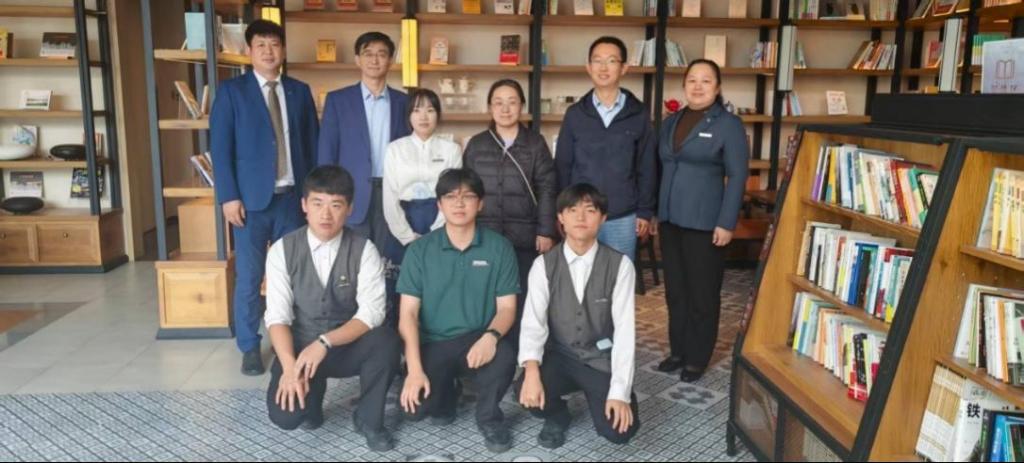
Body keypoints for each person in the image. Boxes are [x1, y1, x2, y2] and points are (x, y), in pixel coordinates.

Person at [263, 166, 400, 452]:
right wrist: (289, 368)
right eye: (318, 203)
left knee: (386, 340)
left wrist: (325, 342)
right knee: (287, 417)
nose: (326, 214)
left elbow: (372, 313)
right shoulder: (282, 250)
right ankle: (311, 399)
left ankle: (369, 419)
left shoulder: (365, 250)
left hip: (344, 345)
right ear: (304, 205)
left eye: (336, 205)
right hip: (300, 350)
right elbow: (277, 316)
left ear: (349, 209)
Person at [210, 20, 319, 376]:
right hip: (250, 203)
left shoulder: (299, 91)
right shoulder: (232, 92)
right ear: (249, 51)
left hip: (292, 199)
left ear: (283, 50)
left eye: (274, 44)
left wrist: (312, 195)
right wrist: (228, 197)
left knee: (295, 274)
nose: (269, 51)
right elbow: (220, 149)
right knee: (250, 276)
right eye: (261, 45)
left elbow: (312, 144)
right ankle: (249, 346)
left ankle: (295, 337)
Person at [396, 168, 519, 453]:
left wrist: (490, 337)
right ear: (439, 205)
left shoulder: (499, 247)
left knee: (504, 354)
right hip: (434, 342)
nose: (459, 203)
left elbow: (507, 308)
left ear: (481, 203)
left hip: (477, 339)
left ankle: (489, 417)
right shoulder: (419, 250)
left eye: (468, 196)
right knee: (416, 410)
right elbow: (407, 316)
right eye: (451, 197)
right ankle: (446, 394)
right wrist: (414, 370)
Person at [516, 183, 639, 448]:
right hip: (559, 356)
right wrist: (531, 370)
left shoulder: (620, 265)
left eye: (590, 210)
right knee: (525, 393)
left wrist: (620, 393)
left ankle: (609, 392)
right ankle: (558, 414)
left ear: (603, 218)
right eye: (572, 210)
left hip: (599, 358)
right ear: (560, 217)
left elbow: (625, 332)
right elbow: (533, 323)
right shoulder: (543, 265)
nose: (581, 217)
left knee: (619, 432)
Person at [655, 58, 749, 383]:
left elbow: (737, 176)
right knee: (675, 292)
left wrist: (727, 222)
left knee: (702, 294)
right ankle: (678, 351)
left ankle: (696, 357)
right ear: (684, 85)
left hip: (706, 223)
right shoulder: (671, 121)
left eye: (706, 80)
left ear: (717, 87)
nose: (698, 86)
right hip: (670, 220)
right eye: (692, 80)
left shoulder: (728, 125)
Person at [318, 31, 410, 326]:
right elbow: (327, 151)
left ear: (391, 60)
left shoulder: (404, 102)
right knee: (350, 261)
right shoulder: (338, 100)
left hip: (392, 193)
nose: (375, 60)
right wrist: (329, 198)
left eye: (382, 54)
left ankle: (388, 327)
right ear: (357, 59)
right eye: (368, 53)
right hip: (352, 193)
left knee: (390, 262)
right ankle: (350, 327)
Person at [463, 79, 557, 348]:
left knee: (525, 294)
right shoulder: (477, 144)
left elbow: (548, 188)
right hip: (485, 235)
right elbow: (466, 191)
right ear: (490, 107)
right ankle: (489, 347)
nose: (505, 109)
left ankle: (525, 351)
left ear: (522, 106)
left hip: (525, 235)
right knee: (485, 294)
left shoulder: (535, 143)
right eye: (498, 103)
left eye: (512, 102)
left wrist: (546, 230)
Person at [555, 36, 656, 262]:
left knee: (619, 275)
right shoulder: (575, 114)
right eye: (597, 61)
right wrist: (562, 210)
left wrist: (645, 211)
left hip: (623, 214)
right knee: (580, 274)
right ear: (588, 67)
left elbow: (647, 166)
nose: (603, 68)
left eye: (611, 61)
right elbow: (563, 165)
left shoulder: (638, 113)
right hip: (580, 213)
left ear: (624, 68)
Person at [382, 88, 462, 263]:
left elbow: (454, 195)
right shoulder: (395, 149)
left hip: (441, 219)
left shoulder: (452, 150)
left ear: (438, 115)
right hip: (403, 221)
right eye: (417, 110)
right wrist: (406, 236)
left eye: (430, 110)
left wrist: (436, 232)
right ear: (409, 116)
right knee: (404, 275)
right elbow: (389, 196)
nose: (423, 117)